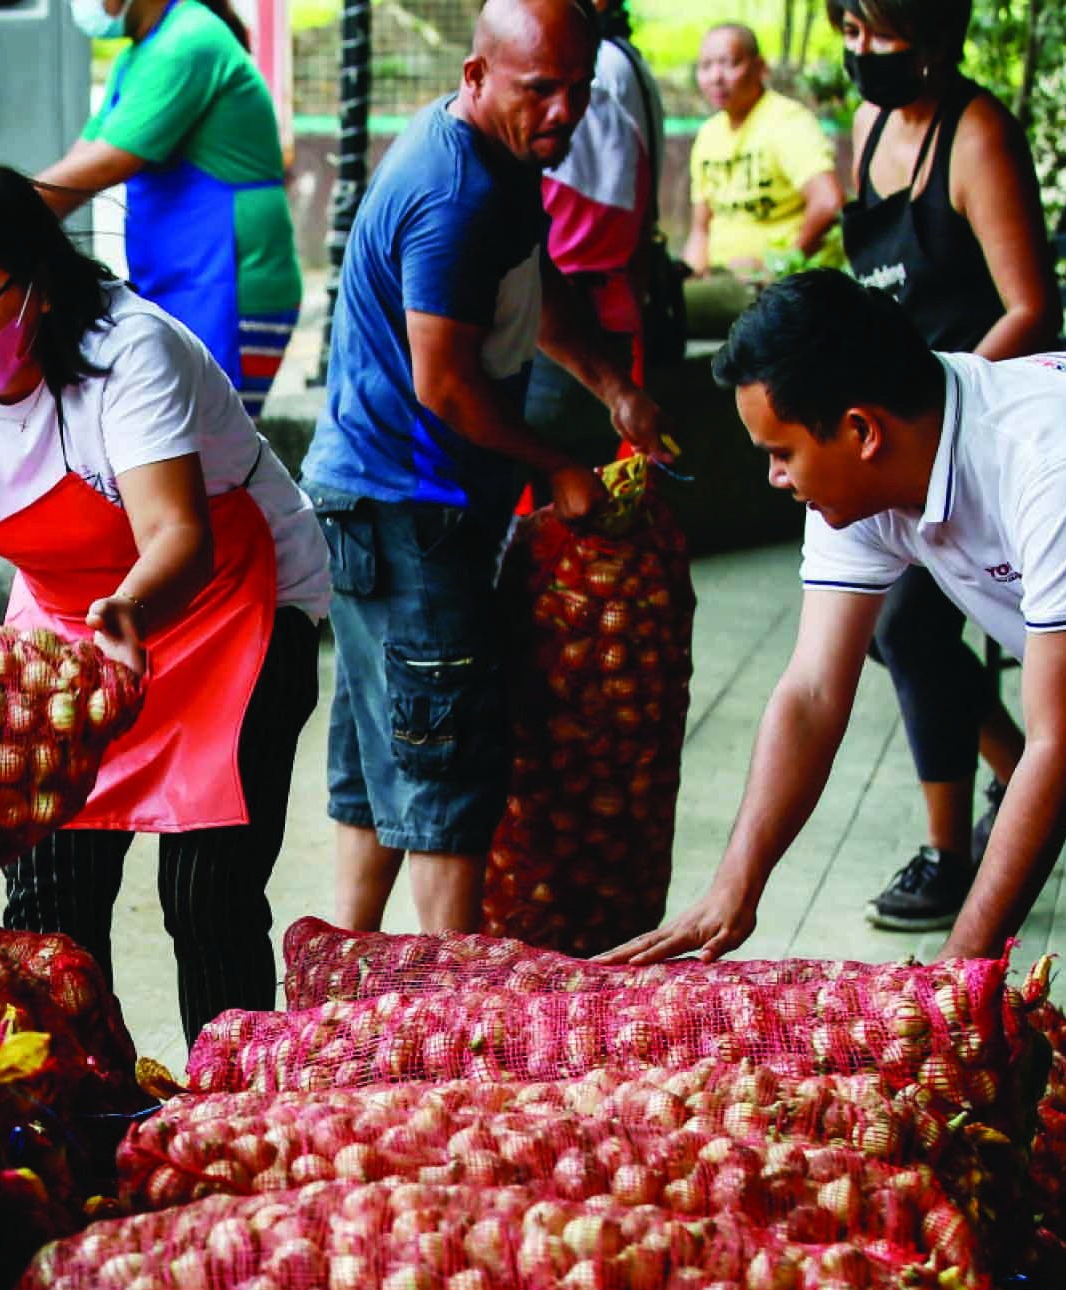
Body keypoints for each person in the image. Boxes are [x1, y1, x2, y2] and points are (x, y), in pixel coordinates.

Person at [0, 165, 329, 1042]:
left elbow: (178, 536)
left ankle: (224, 1119)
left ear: (37, 286)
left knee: (207, 896)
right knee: (48, 896)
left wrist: (128, 614)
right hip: (61, 625)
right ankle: (82, 1114)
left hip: (224, 603)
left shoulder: (129, 351)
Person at [602, 270, 1066, 968]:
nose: (776, 478)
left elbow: (1056, 746)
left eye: (782, 454)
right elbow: (811, 692)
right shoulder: (861, 482)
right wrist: (733, 887)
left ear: (862, 431)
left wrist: (959, 972)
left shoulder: (1052, 466)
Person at [302, 0, 667, 936]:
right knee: (445, 765)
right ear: (476, 76)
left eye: (578, 90)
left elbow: (531, 292)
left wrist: (612, 390)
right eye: (538, 88)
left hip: (381, 500)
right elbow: (447, 386)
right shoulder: (456, 193)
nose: (562, 111)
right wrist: (560, 467)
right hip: (408, 508)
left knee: (385, 745)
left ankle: (335, 985)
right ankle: (446, 1014)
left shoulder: (505, 163)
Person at [833, 0, 1061, 930]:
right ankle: (1016, 775)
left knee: (911, 628)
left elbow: (1029, 306)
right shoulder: (866, 124)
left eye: (877, 34)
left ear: (932, 33)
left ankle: (950, 855)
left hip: (977, 427)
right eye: (847, 32)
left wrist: (939, 407)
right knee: (898, 632)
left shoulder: (979, 137)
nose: (860, 54)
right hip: (886, 436)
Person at [33, 0, 302, 418]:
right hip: (180, 278)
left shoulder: (187, 42)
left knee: (213, 454)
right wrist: (9, 206)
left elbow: (110, 160)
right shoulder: (136, 55)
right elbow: (81, 157)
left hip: (228, 283)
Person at [524, 0, 667, 464]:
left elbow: (576, 235)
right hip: (607, 321)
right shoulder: (624, 63)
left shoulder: (592, 69)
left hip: (566, 337)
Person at [685, 25, 844, 288]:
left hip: (777, 287)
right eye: (705, 66)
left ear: (760, 67)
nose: (716, 77)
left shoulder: (786, 121)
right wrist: (690, 279)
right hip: (720, 279)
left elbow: (828, 202)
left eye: (729, 64)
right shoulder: (709, 134)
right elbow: (700, 230)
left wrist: (780, 266)